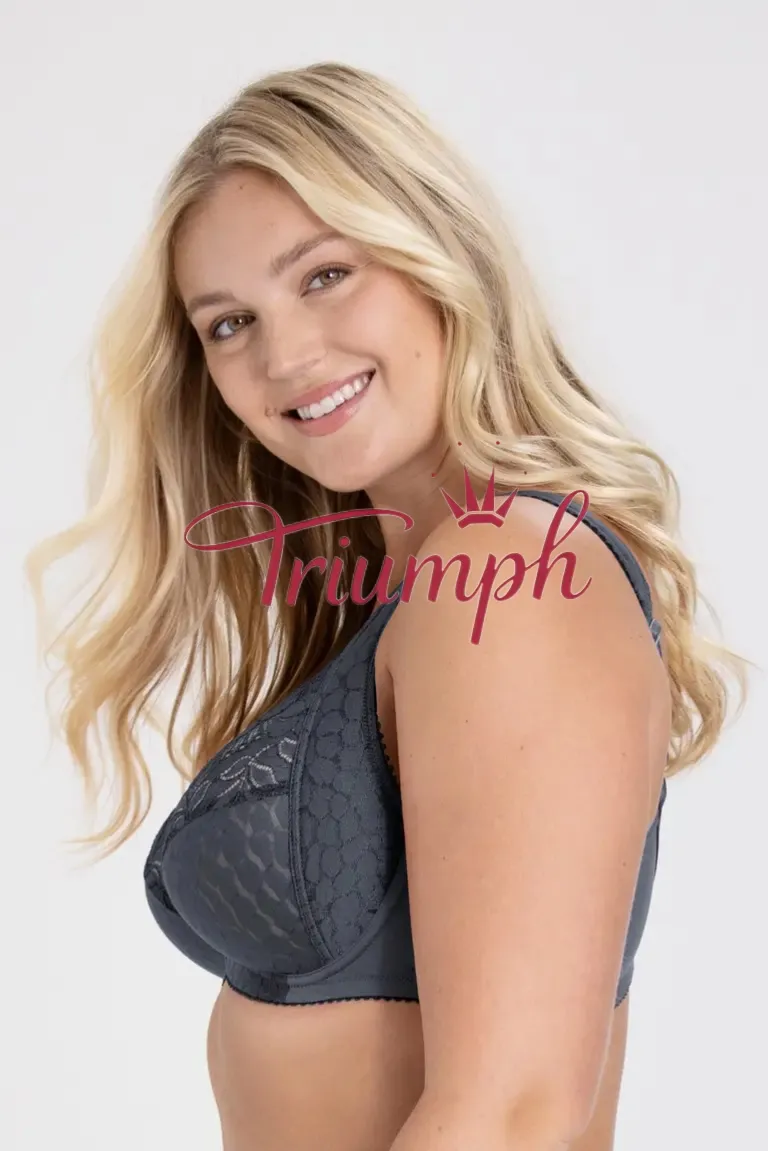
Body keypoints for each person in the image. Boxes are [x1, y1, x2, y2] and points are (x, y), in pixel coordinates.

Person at [26, 62, 748, 1151]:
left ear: (436, 253)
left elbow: (512, 1116)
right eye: (229, 323)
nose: (284, 355)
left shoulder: (510, 573)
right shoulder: (427, 589)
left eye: (325, 275)